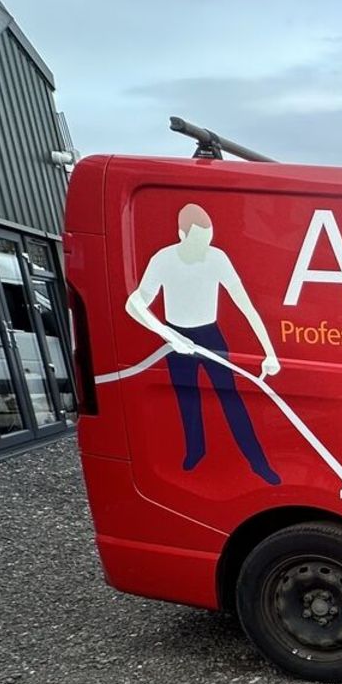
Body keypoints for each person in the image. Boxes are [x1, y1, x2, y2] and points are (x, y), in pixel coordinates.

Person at [125, 203, 281, 484]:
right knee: (188, 400)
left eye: (208, 240)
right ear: (182, 235)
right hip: (176, 338)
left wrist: (269, 353)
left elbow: (246, 307)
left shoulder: (217, 258)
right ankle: (195, 453)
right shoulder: (163, 259)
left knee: (231, 398)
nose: (204, 248)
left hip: (211, 336)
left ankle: (258, 462)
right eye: (199, 242)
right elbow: (134, 303)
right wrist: (167, 334)